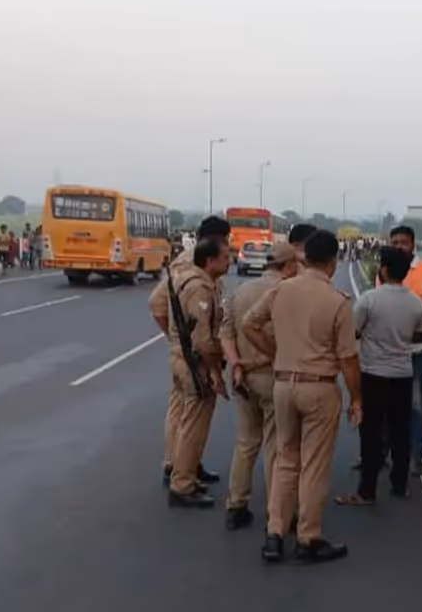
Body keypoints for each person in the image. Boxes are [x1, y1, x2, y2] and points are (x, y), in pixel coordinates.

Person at [243, 229, 361, 565]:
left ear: (305, 258)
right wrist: (356, 398)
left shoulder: (282, 289)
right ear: (333, 262)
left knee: (285, 459)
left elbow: (250, 324)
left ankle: (275, 533)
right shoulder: (337, 301)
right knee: (313, 465)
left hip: (282, 384)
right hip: (319, 387)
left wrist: (276, 353)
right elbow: (348, 358)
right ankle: (308, 537)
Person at [220, 242, 301, 530]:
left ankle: (236, 503)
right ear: (288, 265)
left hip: (243, 378)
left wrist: (236, 364)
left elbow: (226, 332)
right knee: (277, 447)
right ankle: (277, 513)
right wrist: (257, 361)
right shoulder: (287, 293)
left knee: (246, 442)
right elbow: (288, 342)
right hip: (273, 377)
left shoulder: (241, 290)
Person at [336, 246, 422, 507]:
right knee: (400, 431)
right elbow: (417, 332)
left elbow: (352, 332)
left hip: (373, 373)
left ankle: (367, 490)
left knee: (371, 433)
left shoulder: (369, 300)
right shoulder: (415, 302)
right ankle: (400, 484)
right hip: (403, 373)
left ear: (383, 270)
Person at [150, 216, 232, 489]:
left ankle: (180, 464)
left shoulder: (187, 263)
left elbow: (161, 306)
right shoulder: (191, 267)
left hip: (184, 352)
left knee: (180, 412)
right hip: (193, 355)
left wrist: (177, 339)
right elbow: (158, 304)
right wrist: (181, 339)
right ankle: (182, 471)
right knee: (191, 417)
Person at [382, 225, 422, 476]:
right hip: (389, 352)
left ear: (413, 244)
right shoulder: (383, 272)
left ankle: (415, 457)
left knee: (415, 406)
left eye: (404, 242)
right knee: (387, 405)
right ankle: (385, 453)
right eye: (395, 242)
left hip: (417, 351)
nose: (399, 246)